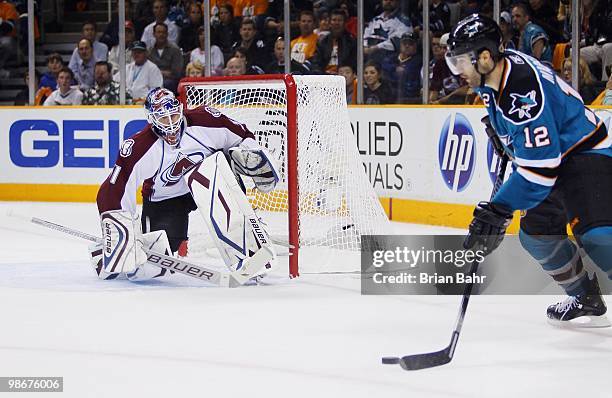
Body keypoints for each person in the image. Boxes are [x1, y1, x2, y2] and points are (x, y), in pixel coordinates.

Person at [446, 14, 612, 326]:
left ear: (483, 57)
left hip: (584, 151)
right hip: (555, 159)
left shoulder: (522, 90)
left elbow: (541, 170)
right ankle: (584, 296)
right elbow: (531, 145)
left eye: (460, 63)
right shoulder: (493, 73)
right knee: (538, 236)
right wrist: (506, 137)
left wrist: (498, 211)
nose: (458, 73)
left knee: (600, 237)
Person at [94, 87, 278, 281]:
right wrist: (118, 233)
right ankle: (104, 252)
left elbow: (243, 136)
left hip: (210, 183)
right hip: (166, 198)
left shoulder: (207, 121)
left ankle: (248, 240)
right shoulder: (139, 147)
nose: (171, 124)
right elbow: (113, 190)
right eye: (164, 119)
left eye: (174, 115)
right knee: (154, 262)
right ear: (151, 119)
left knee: (216, 170)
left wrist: (254, 158)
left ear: (180, 109)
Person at [310, 8, 357, 74]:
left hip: (344, 76)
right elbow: (316, 63)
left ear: (345, 23)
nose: (336, 23)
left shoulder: (352, 41)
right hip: (324, 76)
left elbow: (354, 64)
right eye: (334, 20)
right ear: (329, 22)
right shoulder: (322, 41)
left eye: (340, 20)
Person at [381, 31, 422, 103]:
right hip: (389, 96)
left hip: (408, 99)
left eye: (410, 44)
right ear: (400, 45)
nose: (407, 46)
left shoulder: (418, 61)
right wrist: (395, 68)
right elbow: (384, 65)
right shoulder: (392, 58)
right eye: (404, 43)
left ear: (415, 46)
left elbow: (406, 73)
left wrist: (392, 72)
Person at [147, 22, 184, 93]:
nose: (161, 35)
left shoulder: (175, 50)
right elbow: (147, 70)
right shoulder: (149, 51)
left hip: (170, 82)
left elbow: (176, 73)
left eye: (163, 32)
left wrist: (157, 72)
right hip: (153, 80)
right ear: (154, 34)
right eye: (159, 32)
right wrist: (164, 72)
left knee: (164, 84)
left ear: (167, 34)